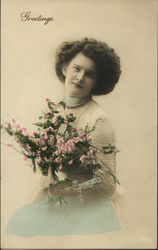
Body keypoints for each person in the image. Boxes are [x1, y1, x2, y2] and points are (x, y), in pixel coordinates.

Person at [6, 38, 121, 237]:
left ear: (97, 82)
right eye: (76, 68)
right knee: (17, 225)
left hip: (88, 209)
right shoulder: (54, 111)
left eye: (90, 74)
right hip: (57, 200)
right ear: (64, 68)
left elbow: (107, 185)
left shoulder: (99, 119)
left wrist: (60, 189)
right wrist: (45, 182)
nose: (80, 77)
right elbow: (46, 163)